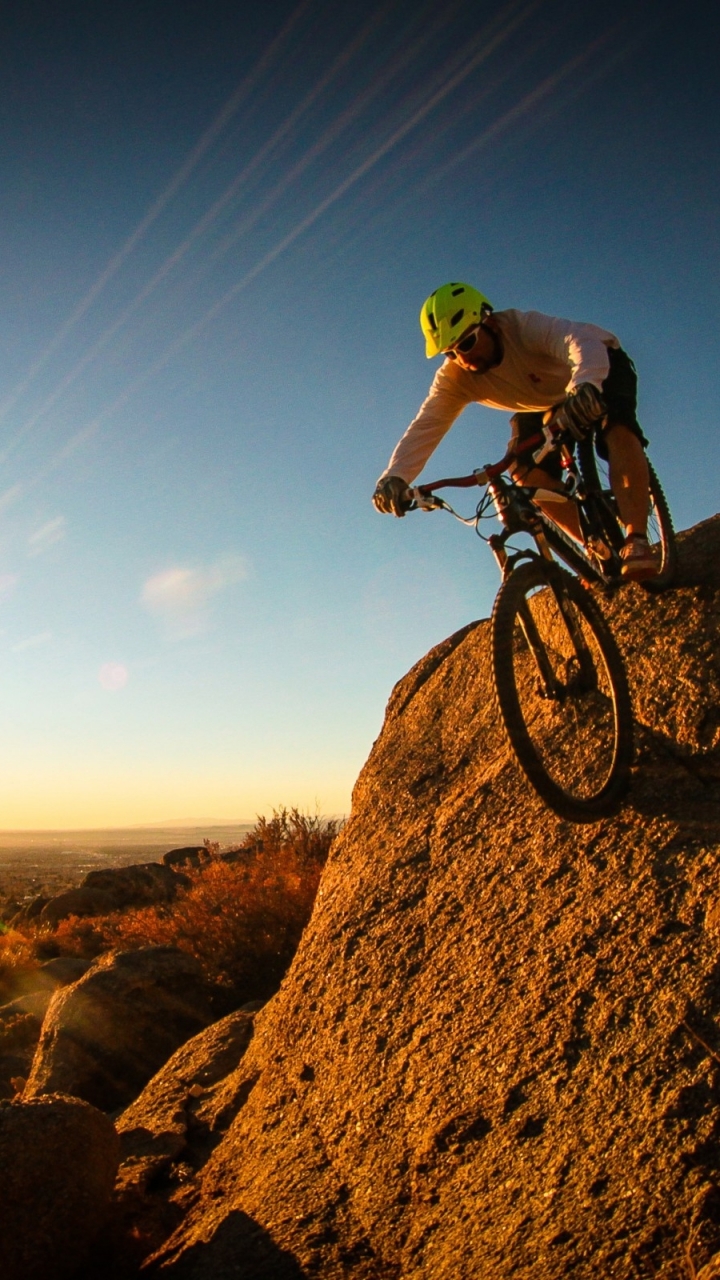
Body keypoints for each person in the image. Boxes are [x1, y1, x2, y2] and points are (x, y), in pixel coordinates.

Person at [372, 282, 658, 581]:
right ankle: (594, 547)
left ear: (490, 322)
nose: (462, 359)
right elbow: (427, 425)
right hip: (542, 402)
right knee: (523, 472)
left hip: (598, 367)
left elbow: (579, 341)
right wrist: (395, 477)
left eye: (467, 342)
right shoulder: (454, 379)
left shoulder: (523, 328)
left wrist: (586, 384)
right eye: (450, 353)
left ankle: (636, 539)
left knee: (616, 430)